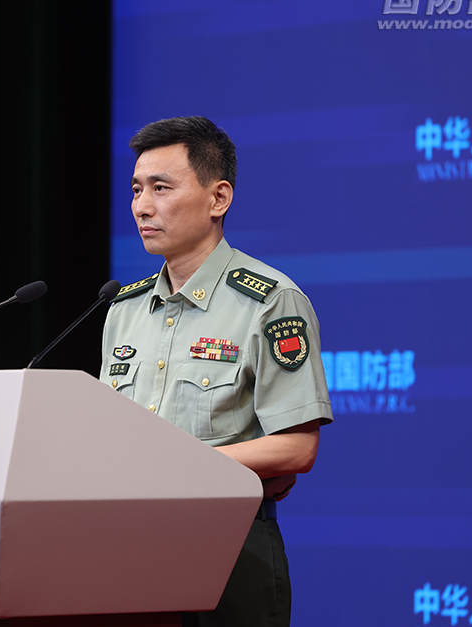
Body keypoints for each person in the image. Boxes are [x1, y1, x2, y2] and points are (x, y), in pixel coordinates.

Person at [100, 116, 333, 627]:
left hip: (229, 545)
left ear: (218, 198)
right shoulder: (123, 309)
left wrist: (177, 467)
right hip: (130, 544)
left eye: (161, 188)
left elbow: (298, 447)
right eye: (136, 189)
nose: (141, 206)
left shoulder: (270, 301)